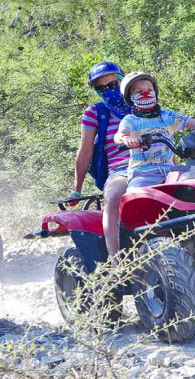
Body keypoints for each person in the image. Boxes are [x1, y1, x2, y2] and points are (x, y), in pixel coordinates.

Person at [115, 72, 195, 191]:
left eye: (150, 90)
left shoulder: (168, 116)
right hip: (143, 173)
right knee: (136, 197)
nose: (146, 93)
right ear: (130, 97)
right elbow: (120, 135)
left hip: (172, 171)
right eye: (139, 91)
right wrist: (126, 139)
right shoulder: (131, 120)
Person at [65, 61, 132, 259]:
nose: (108, 91)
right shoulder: (95, 113)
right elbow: (85, 151)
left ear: (122, 81)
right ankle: (116, 262)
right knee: (112, 198)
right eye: (101, 88)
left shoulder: (143, 103)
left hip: (155, 165)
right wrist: (76, 189)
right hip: (120, 169)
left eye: (112, 85)